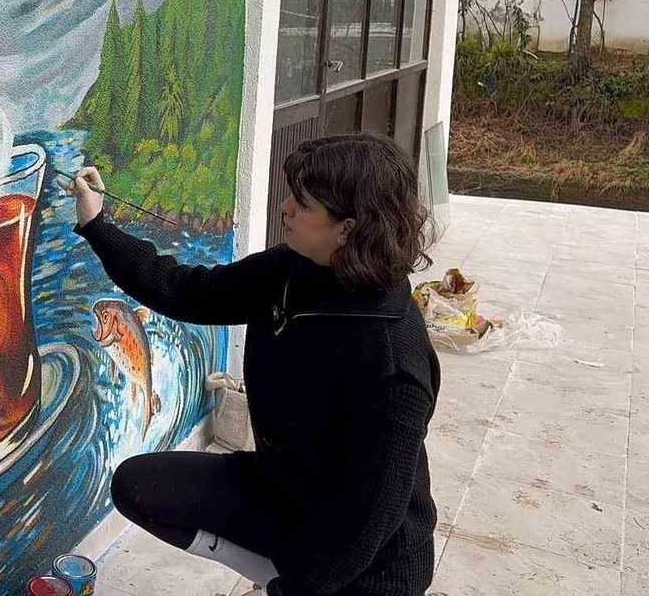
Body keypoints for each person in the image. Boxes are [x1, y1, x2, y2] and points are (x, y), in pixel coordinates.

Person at [59, 133, 441, 596]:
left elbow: (366, 525)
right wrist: (97, 225)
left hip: (368, 571)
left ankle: (285, 581)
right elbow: (188, 290)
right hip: (287, 491)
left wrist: (295, 590)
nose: (285, 208)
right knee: (139, 486)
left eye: (303, 204)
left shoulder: (392, 361)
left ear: (347, 229)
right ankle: (272, 571)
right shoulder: (293, 270)